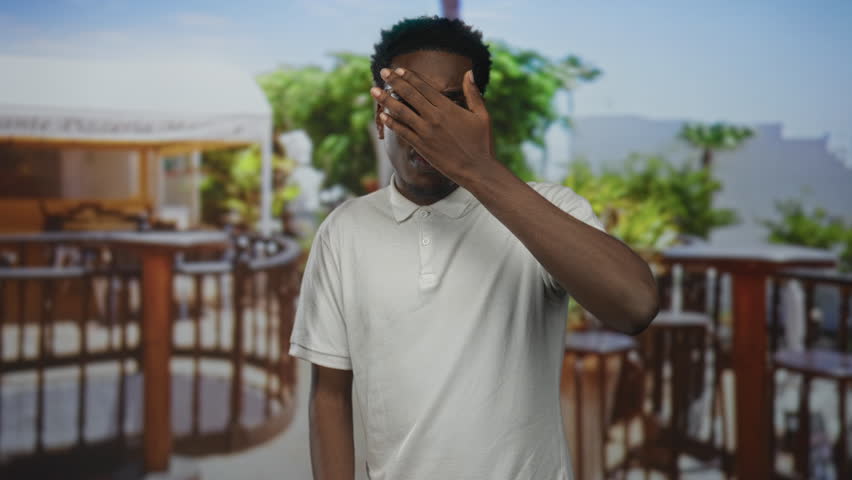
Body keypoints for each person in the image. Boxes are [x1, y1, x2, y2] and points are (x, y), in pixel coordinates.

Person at [289, 16, 659, 480]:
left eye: (447, 108)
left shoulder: (547, 209)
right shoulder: (345, 230)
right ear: (381, 118)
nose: (431, 126)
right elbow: (329, 394)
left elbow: (636, 305)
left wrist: (477, 168)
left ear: (478, 117)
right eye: (410, 105)